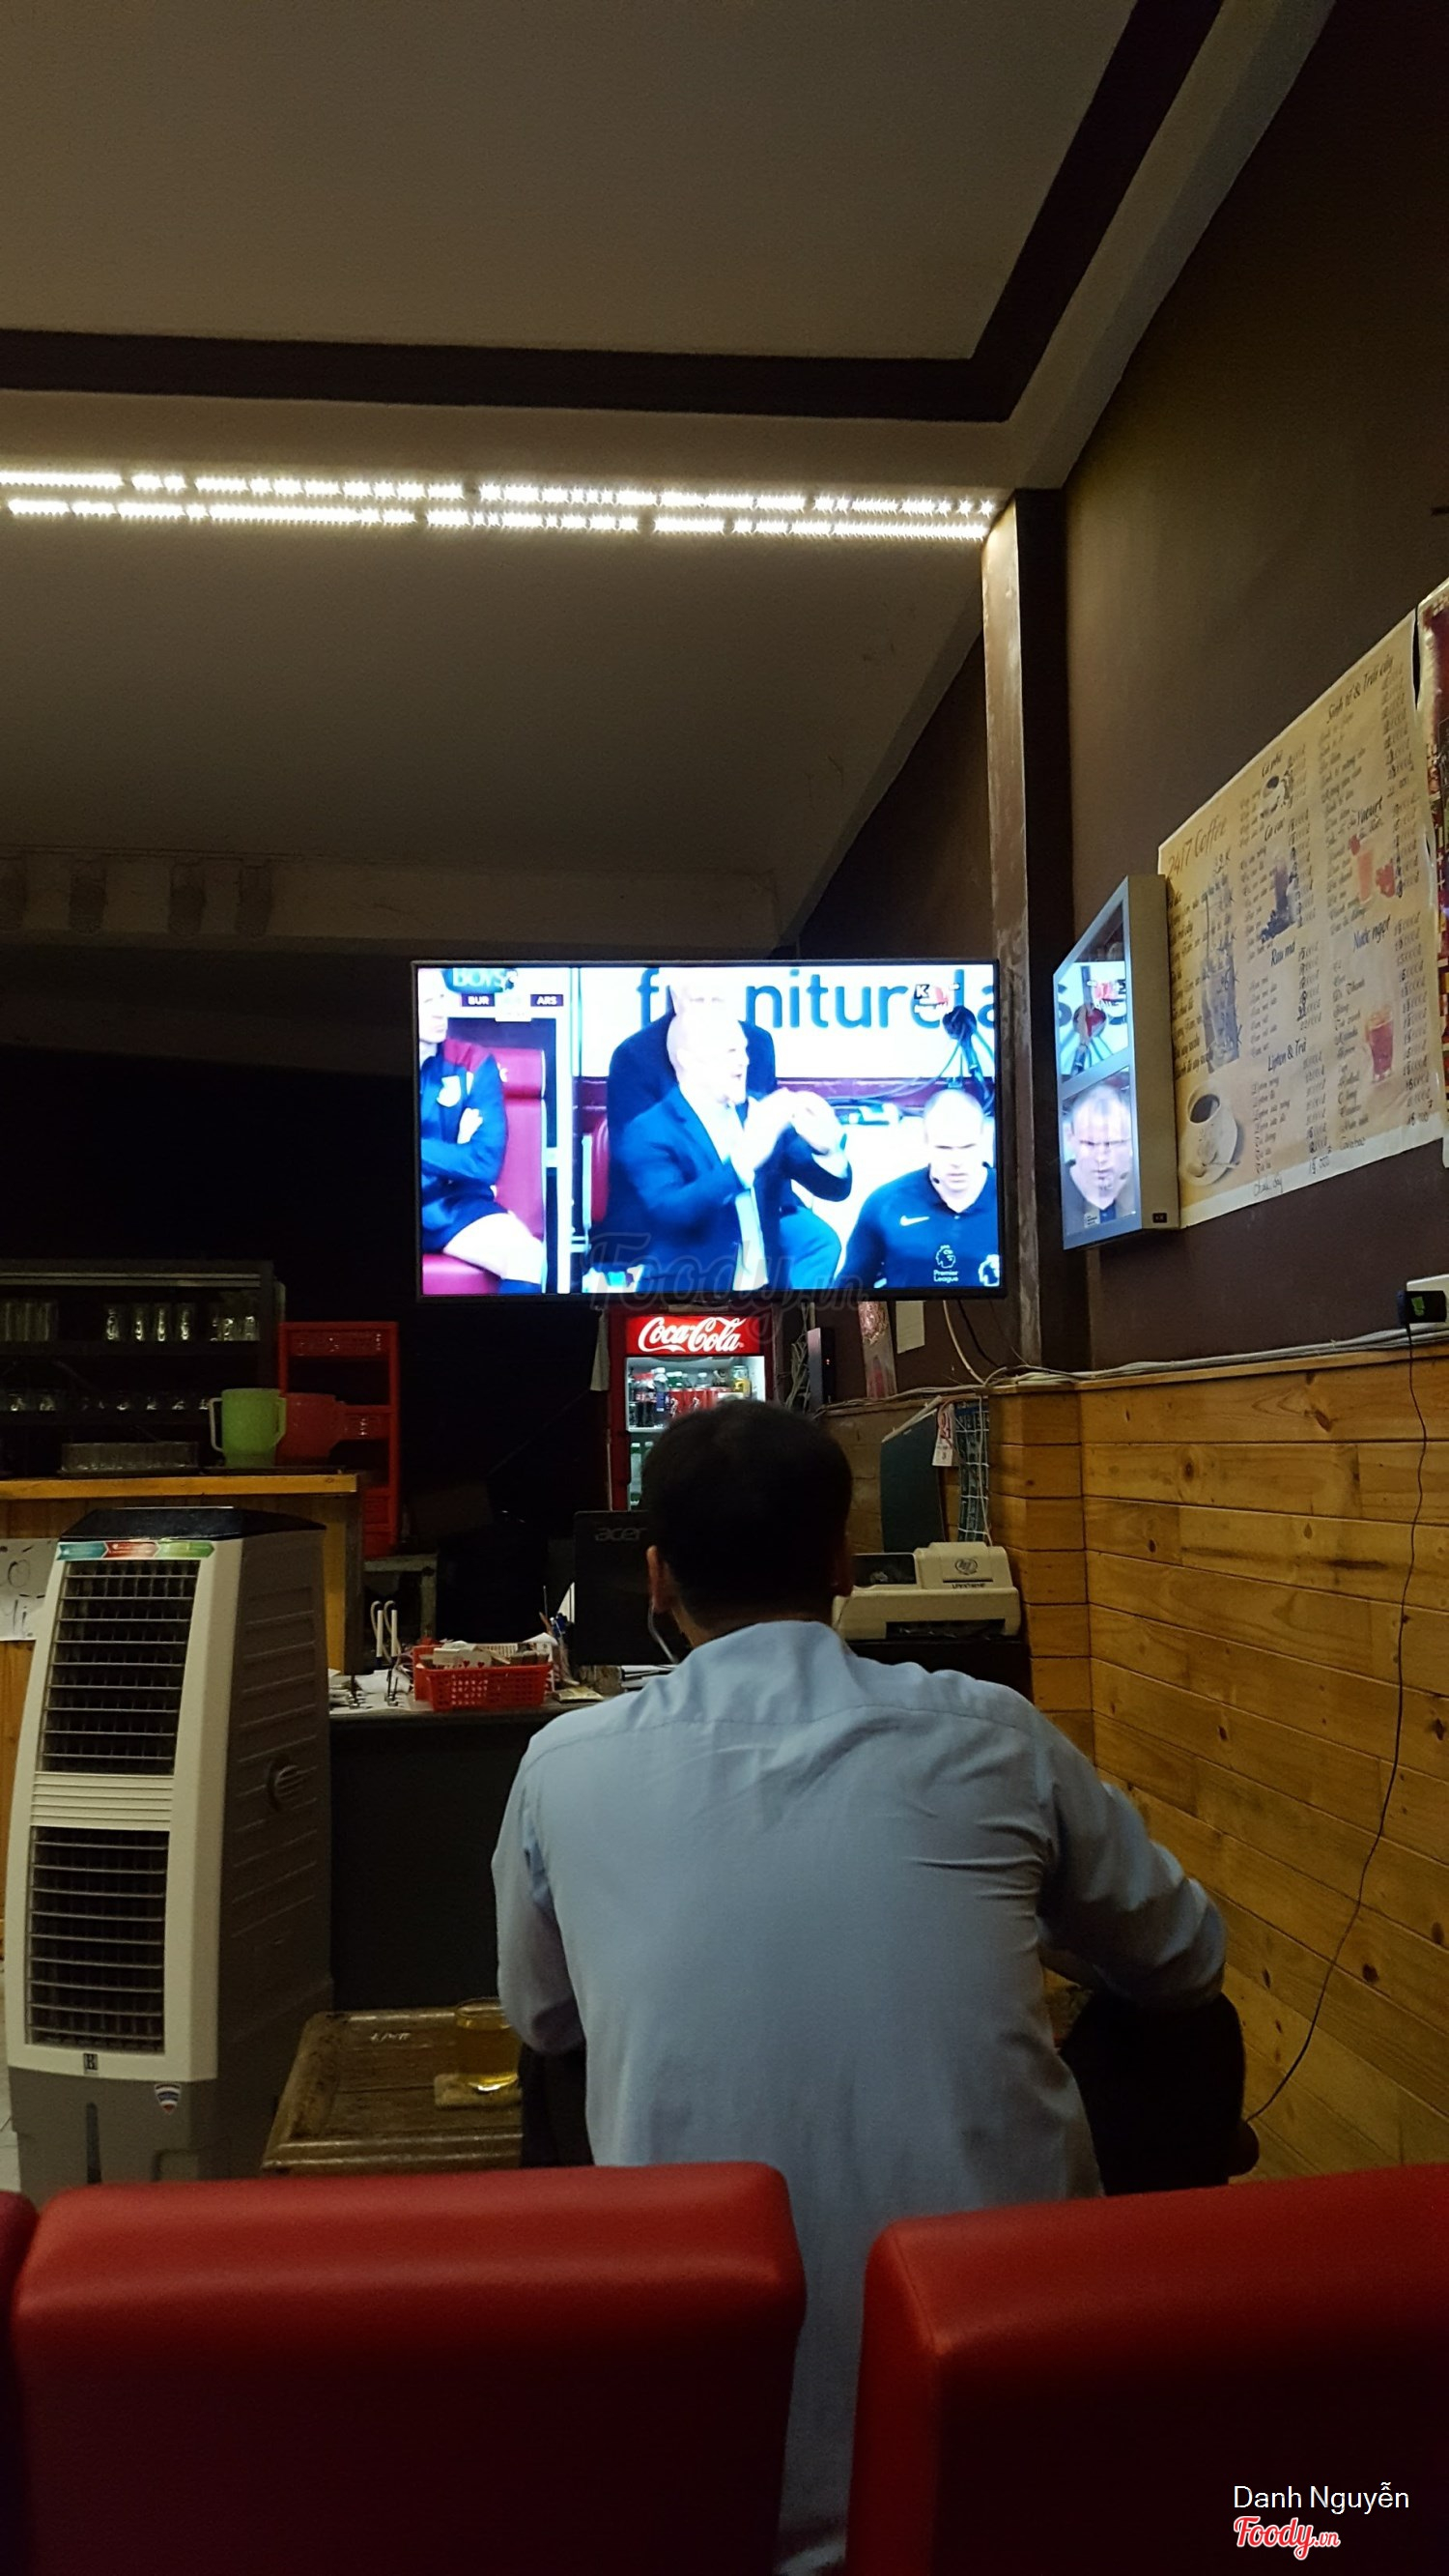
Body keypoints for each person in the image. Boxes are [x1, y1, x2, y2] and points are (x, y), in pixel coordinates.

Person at [494, 1406, 1228, 2576]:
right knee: (1189, 2025)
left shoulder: (563, 1763)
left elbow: (541, 2017)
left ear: (657, 1576)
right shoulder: (994, 1731)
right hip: (1010, 2431)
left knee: (560, 2070)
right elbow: (1187, 1956)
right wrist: (1033, 1926)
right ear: (842, 1561)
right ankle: (1134, 2319)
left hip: (721, 2450)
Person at [593, 975, 840, 1284]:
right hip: (680, 1196)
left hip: (754, 1194)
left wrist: (827, 1150)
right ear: (675, 997)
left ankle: (789, 1310)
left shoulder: (757, 1047)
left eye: (717, 1000)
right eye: (699, 1000)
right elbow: (647, 1170)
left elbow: (790, 1154)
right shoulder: (635, 1062)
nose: (743, 1062)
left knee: (818, 1241)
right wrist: (742, 1161)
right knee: (719, 1241)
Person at [416, 966, 546, 1288]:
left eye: (442, 997)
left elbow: (483, 1162)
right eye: (427, 1001)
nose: (440, 1010)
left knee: (527, 1255)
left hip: (452, 1204)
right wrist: (452, 1152)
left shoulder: (473, 1062)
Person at [838, 1081, 999, 1290]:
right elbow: (848, 1293)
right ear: (925, 1142)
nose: (957, 1161)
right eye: (944, 1148)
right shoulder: (885, 1205)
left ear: (983, 1139)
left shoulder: (1015, 1203)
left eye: (967, 1147)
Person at [1063, 1078, 1137, 1229]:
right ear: (1070, 1138)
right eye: (1089, 1144)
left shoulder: (1149, 1186)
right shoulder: (1049, 1193)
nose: (1101, 1157)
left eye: (1113, 1143)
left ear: (1131, 1140)